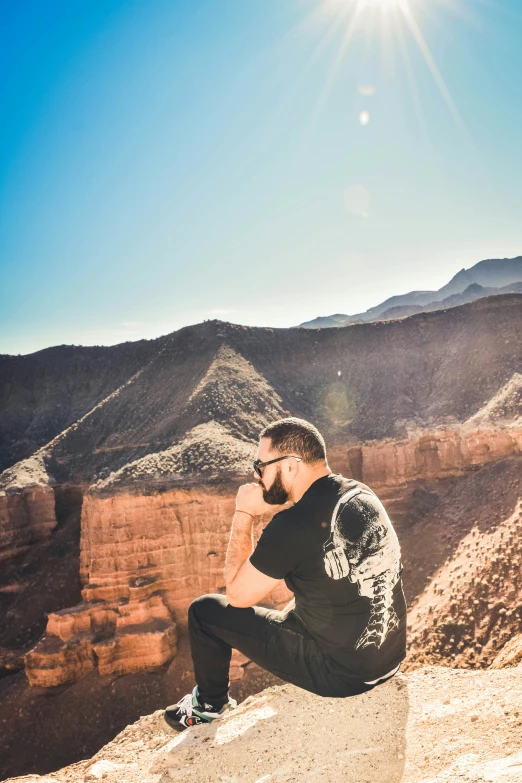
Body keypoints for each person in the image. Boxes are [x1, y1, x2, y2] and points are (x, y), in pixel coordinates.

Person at [163, 417, 407, 730]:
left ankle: (208, 706)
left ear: (291, 466)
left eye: (261, 464)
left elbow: (237, 596)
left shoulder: (294, 523)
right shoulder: (360, 494)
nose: (256, 474)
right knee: (303, 600)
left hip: (344, 675)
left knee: (204, 611)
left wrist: (245, 513)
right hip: (388, 658)